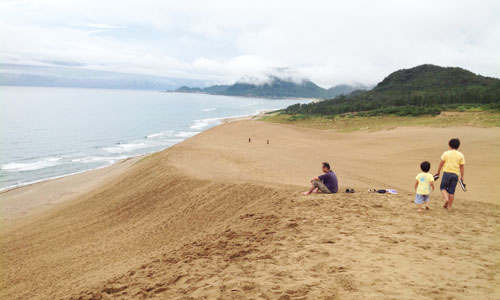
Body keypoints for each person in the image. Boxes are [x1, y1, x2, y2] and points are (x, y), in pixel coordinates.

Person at [434, 138, 465, 209]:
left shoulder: (446, 153)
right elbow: (462, 167)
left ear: (449, 145)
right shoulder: (461, 155)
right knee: (452, 190)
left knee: (443, 187)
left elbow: (441, 163)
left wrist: (438, 172)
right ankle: (449, 206)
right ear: (458, 146)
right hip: (455, 174)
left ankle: (446, 198)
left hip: (447, 173)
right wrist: (462, 176)